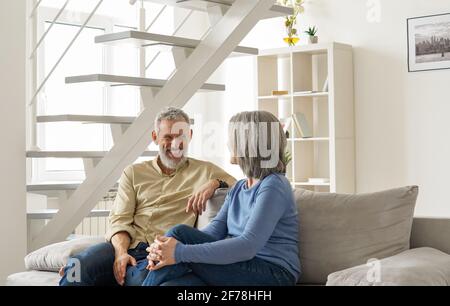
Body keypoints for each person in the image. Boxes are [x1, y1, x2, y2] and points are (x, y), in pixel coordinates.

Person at [59, 107, 236, 286]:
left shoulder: (205, 171)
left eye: (181, 136)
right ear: (155, 137)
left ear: (189, 136)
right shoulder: (134, 172)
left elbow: (242, 185)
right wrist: (121, 253)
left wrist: (215, 183)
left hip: (157, 254)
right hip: (124, 247)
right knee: (77, 266)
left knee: (139, 279)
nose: (175, 144)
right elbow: (120, 220)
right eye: (168, 137)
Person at [142, 111, 300, 286]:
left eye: (232, 138)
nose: (227, 143)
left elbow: (247, 246)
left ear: (248, 143)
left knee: (180, 233)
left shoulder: (274, 185)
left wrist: (179, 251)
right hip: (237, 267)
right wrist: (164, 249)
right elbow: (212, 233)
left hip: (273, 273)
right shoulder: (239, 188)